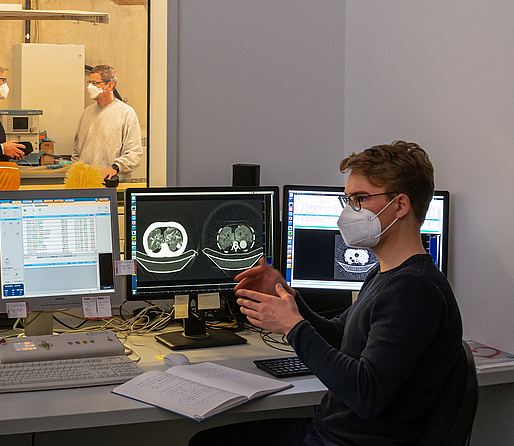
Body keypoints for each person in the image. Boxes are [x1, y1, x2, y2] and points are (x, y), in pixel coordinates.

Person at [189, 141, 463, 446]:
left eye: (360, 199)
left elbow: (366, 394)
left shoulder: (415, 290)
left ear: (400, 205)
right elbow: (340, 337)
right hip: (330, 432)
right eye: (347, 200)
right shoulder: (386, 274)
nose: (349, 212)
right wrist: (289, 299)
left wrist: (293, 327)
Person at [73, 65, 144, 180]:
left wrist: (115, 168)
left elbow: (134, 153)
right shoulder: (86, 113)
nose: (90, 87)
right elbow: (77, 151)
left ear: (110, 85)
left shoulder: (126, 113)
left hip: (113, 183)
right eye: (90, 82)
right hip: (87, 183)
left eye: (96, 83)